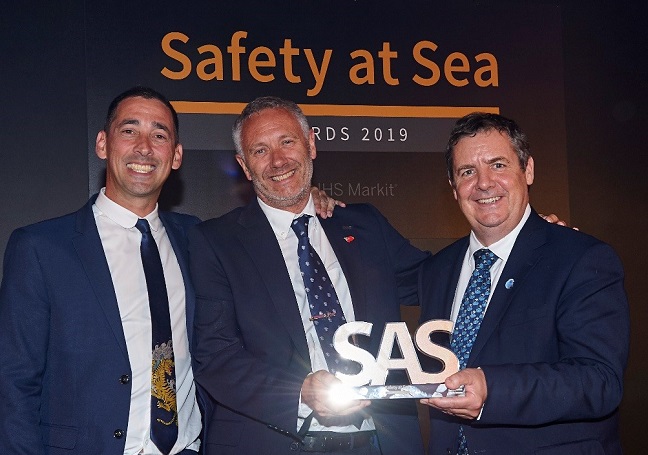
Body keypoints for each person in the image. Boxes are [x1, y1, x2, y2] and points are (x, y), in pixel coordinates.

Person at [188, 96, 429, 454]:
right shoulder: (216, 242)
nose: (278, 161)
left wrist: (516, 239)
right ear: (244, 165)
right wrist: (300, 390)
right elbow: (214, 355)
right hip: (273, 441)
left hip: (383, 439)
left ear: (311, 143)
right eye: (260, 150)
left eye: (287, 142)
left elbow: (437, 280)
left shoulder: (363, 225)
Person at [418, 112, 629, 454]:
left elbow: (599, 381)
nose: (484, 183)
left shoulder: (582, 258)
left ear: (527, 170)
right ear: (454, 188)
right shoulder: (437, 270)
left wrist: (492, 390)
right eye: (467, 172)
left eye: (498, 165)